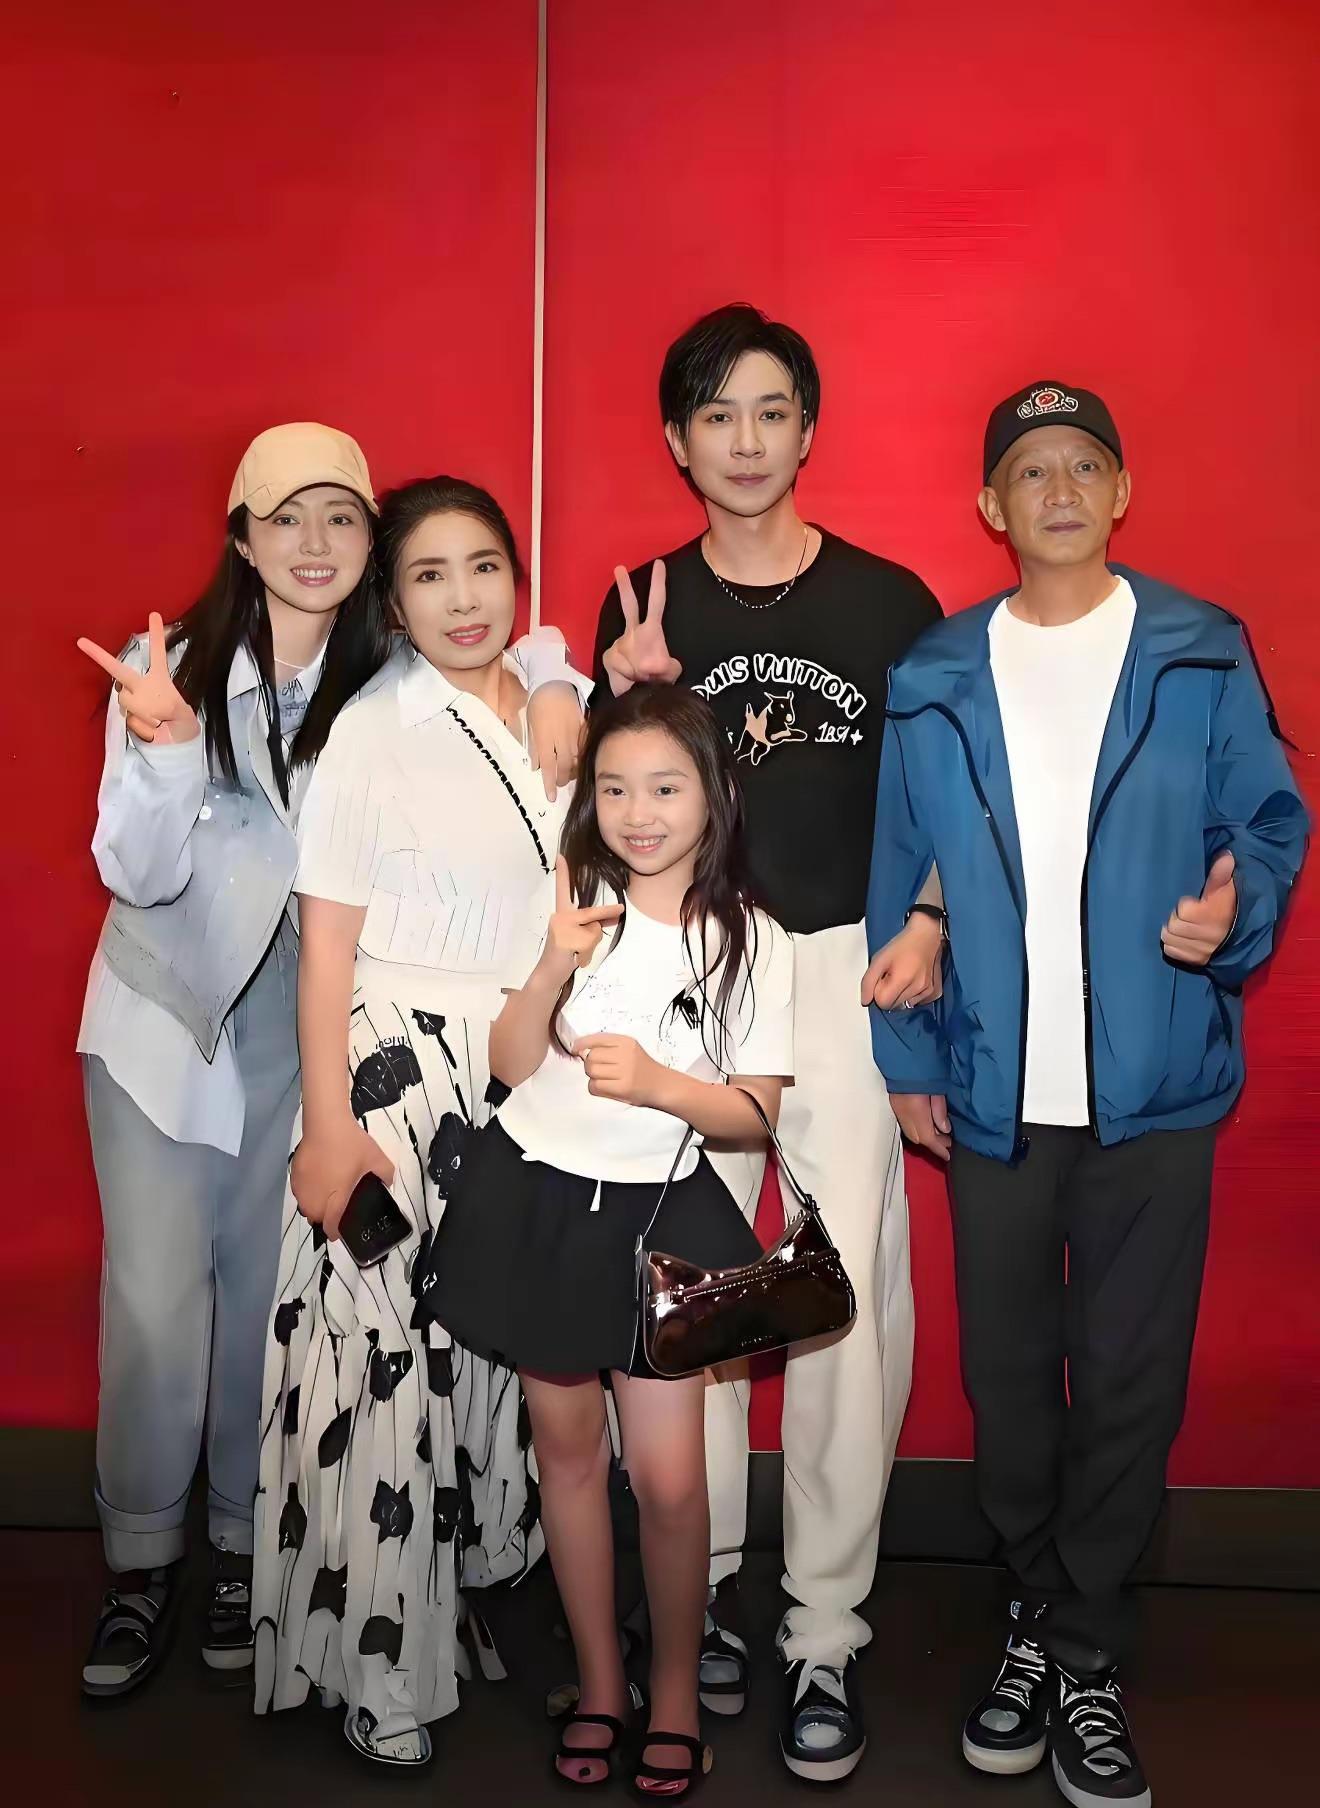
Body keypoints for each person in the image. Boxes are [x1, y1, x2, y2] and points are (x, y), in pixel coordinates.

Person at [865, 382, 1309, 1808]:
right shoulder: (936, 670)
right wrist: (910, 1059)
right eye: (1029, 470)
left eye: (1083, 466)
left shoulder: (1199, 649)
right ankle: (1034, 1612)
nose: (1057, 489)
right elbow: (901, 871)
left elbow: (1268, 821)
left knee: (1128, 1380)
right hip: (995, 1090)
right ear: (990, 505)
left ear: (1121, 492)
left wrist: (1236, 912)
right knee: (1009, 1383)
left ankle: (1087, 1652)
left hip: (1156, 1091)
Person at [530, 304, 944, 1780]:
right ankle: (692, 1593)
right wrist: (623, 689)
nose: (747, 441)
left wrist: (932, 927)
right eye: (717, 415)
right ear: (677, 439)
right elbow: (600, 804)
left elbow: (944, 798)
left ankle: (824, 1625)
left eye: (772, 411)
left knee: (839, 1292)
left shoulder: (892, 603)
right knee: (687, 1284)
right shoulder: (645, 603)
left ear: (809, 427)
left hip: (838, 963)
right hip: (688, 964)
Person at [251, 475, 590, 1766]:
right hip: (395, 1069)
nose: (463, 599)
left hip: (525, 1072)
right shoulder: (372, 728)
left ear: (518, 577)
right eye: (430, 576)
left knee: (494, 1362)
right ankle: (376, 1670)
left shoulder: (553, 702)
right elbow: (323, 949)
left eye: (484, 566)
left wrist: (553, 676)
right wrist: (327, 1126)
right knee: (380, 1367)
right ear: (392, 603)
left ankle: (482, 1599)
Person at [427, 684, 795, 1797]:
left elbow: (754, 1114)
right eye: (617, 788)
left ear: (714, 795)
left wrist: (661, 1082)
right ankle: (601, 1686)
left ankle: (673, 1689)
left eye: (666, 788)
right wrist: (552, 962)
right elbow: (507, 1061)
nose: (640, 813)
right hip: (541, 1203)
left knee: (672, 1483)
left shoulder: (752, 938)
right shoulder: (573, 897)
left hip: (660, 1221)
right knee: (569, 1455)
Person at [75, 423, 390, 1696]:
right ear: (242, 539)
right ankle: (141, 1565)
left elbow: (512, 669)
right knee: (156, 1304)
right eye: (285, 516)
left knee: (272, 1303)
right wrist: (161, 749)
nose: (314, 542)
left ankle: (242, 1546)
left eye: (341, 516)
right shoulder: (175, 670)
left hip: (305, 1038)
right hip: (162, 1026)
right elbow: (134, 870)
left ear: (371, 539)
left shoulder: (393, 681)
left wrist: (547, 681)